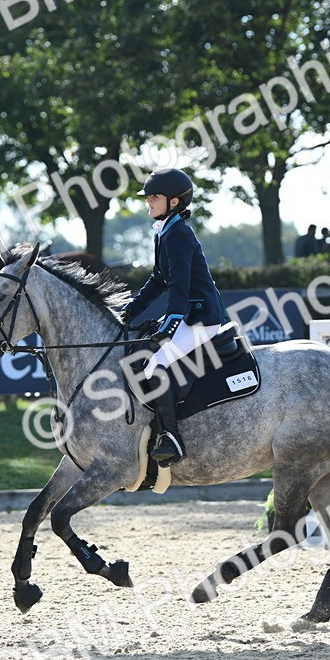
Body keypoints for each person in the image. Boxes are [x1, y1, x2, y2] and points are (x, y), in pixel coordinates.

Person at [122, 167, 226, 467]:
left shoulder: (178, 233)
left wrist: (170, 324)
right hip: (190, 313)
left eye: (154, 197)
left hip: (201, 316)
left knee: (156, 364)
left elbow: (179, 286)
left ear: (175, 202)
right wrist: (131, 309)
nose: (148, 202)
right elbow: (158, 278)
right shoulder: (166, 231)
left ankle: (171, 439)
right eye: (148, 198)